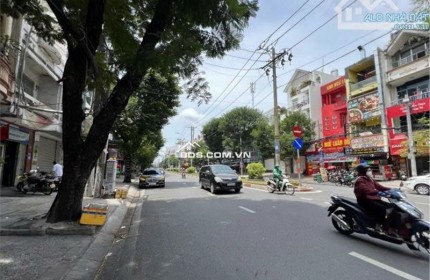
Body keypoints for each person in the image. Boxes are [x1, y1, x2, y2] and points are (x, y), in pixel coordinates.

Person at [353, 164, 392, 232]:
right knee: (382, 209)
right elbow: (365, 190)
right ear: (362, 171)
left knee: (391, 207)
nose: (370, 171)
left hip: (373, 198)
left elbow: (379, 187)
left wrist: (391, 190)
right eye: (367, 170)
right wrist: (378, 192)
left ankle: (389, 226)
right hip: (365, 200)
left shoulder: (370, 179)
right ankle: (378, 226)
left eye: (369, 169)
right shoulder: (359, 180)